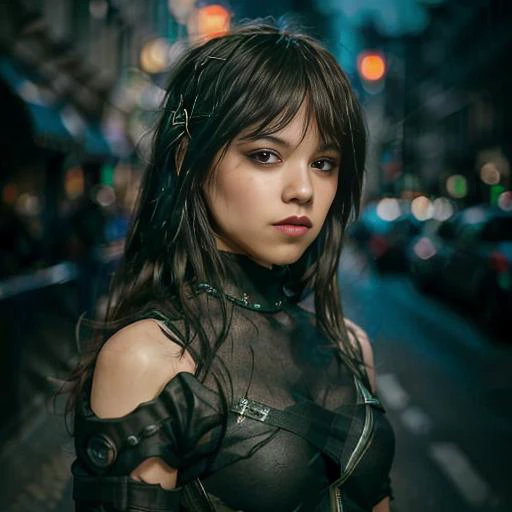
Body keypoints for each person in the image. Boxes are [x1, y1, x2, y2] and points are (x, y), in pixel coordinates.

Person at [67, 20, 395, 512]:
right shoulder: (149, 360)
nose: (302, 190)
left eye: (323, 163)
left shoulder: (350, 348)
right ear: (188, 160)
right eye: (266, 155)